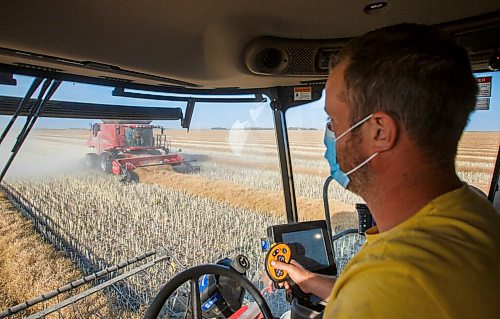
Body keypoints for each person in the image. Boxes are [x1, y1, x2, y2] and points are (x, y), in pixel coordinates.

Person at [272, 23, 500, 318]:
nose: (329, 134)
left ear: (380, 132)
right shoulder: (471, 212)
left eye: (333, 121)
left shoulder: (389, 283)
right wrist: (314, 282)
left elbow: (384, 293)